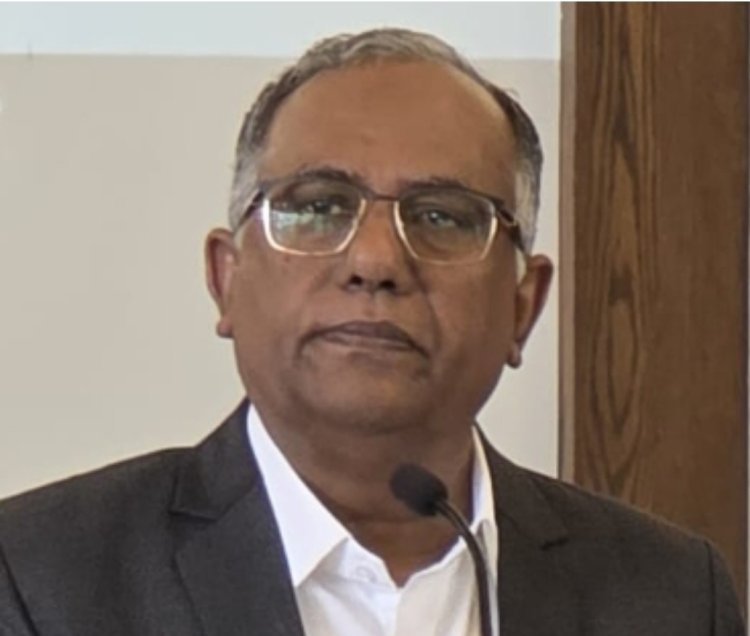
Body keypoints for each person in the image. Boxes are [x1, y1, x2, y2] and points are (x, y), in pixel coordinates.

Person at [0, 28, 743, 636]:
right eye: (319, 207)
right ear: (227, 278)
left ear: (524, 304)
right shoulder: (40, 577)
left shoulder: (669, 596)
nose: (377, 261)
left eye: (442, 216)